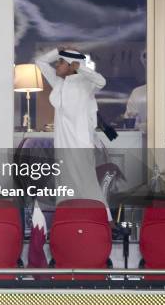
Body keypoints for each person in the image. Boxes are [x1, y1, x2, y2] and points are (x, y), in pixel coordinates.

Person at [35, 47, 111, 216]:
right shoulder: (59, 82)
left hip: (80, 142)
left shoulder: (86, 83)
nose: (56, 66)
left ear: (72, 65)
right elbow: (40, 62)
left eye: (60, 62)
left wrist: (80, 68)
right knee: (65, 184)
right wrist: (57, 51)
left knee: (87, 183)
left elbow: (101, 81)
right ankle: (68, 218)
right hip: (63, 142)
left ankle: (104, 219)